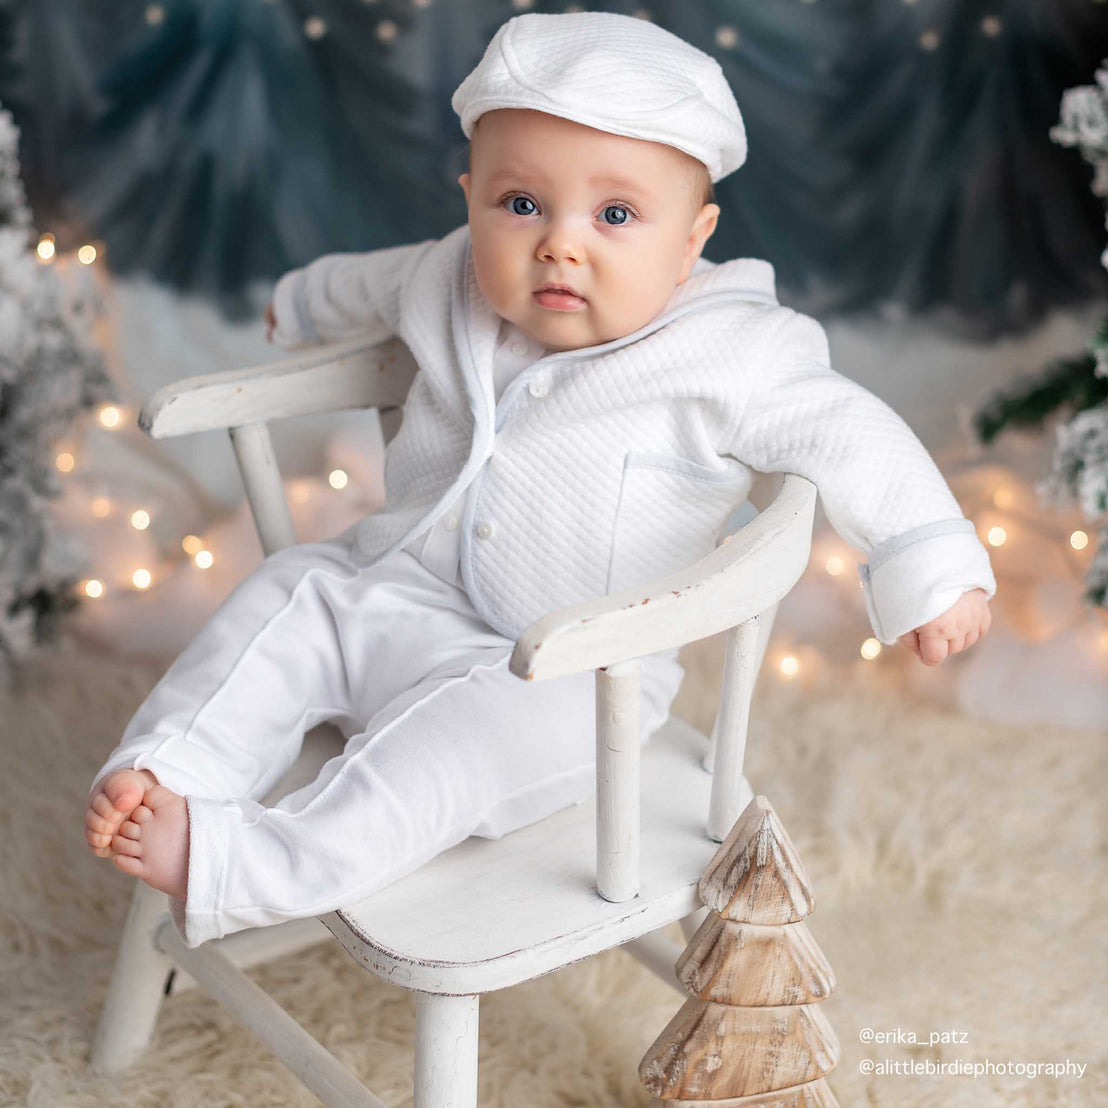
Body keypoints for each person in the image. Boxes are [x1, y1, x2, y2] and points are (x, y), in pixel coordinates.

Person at [83, 12, 994, 949]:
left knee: (440, 764)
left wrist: (931, 567)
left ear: (692, 241)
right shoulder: (450, 277)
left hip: (564, 679)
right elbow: (374, 282)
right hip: (397, 591)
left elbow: (852, 431)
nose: (561, 244)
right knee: (285, 599)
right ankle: (171, 769)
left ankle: (250, 864)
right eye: (522, 205)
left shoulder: (735, 353)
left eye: (615, 216)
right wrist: (302, 300)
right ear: (473, 198)